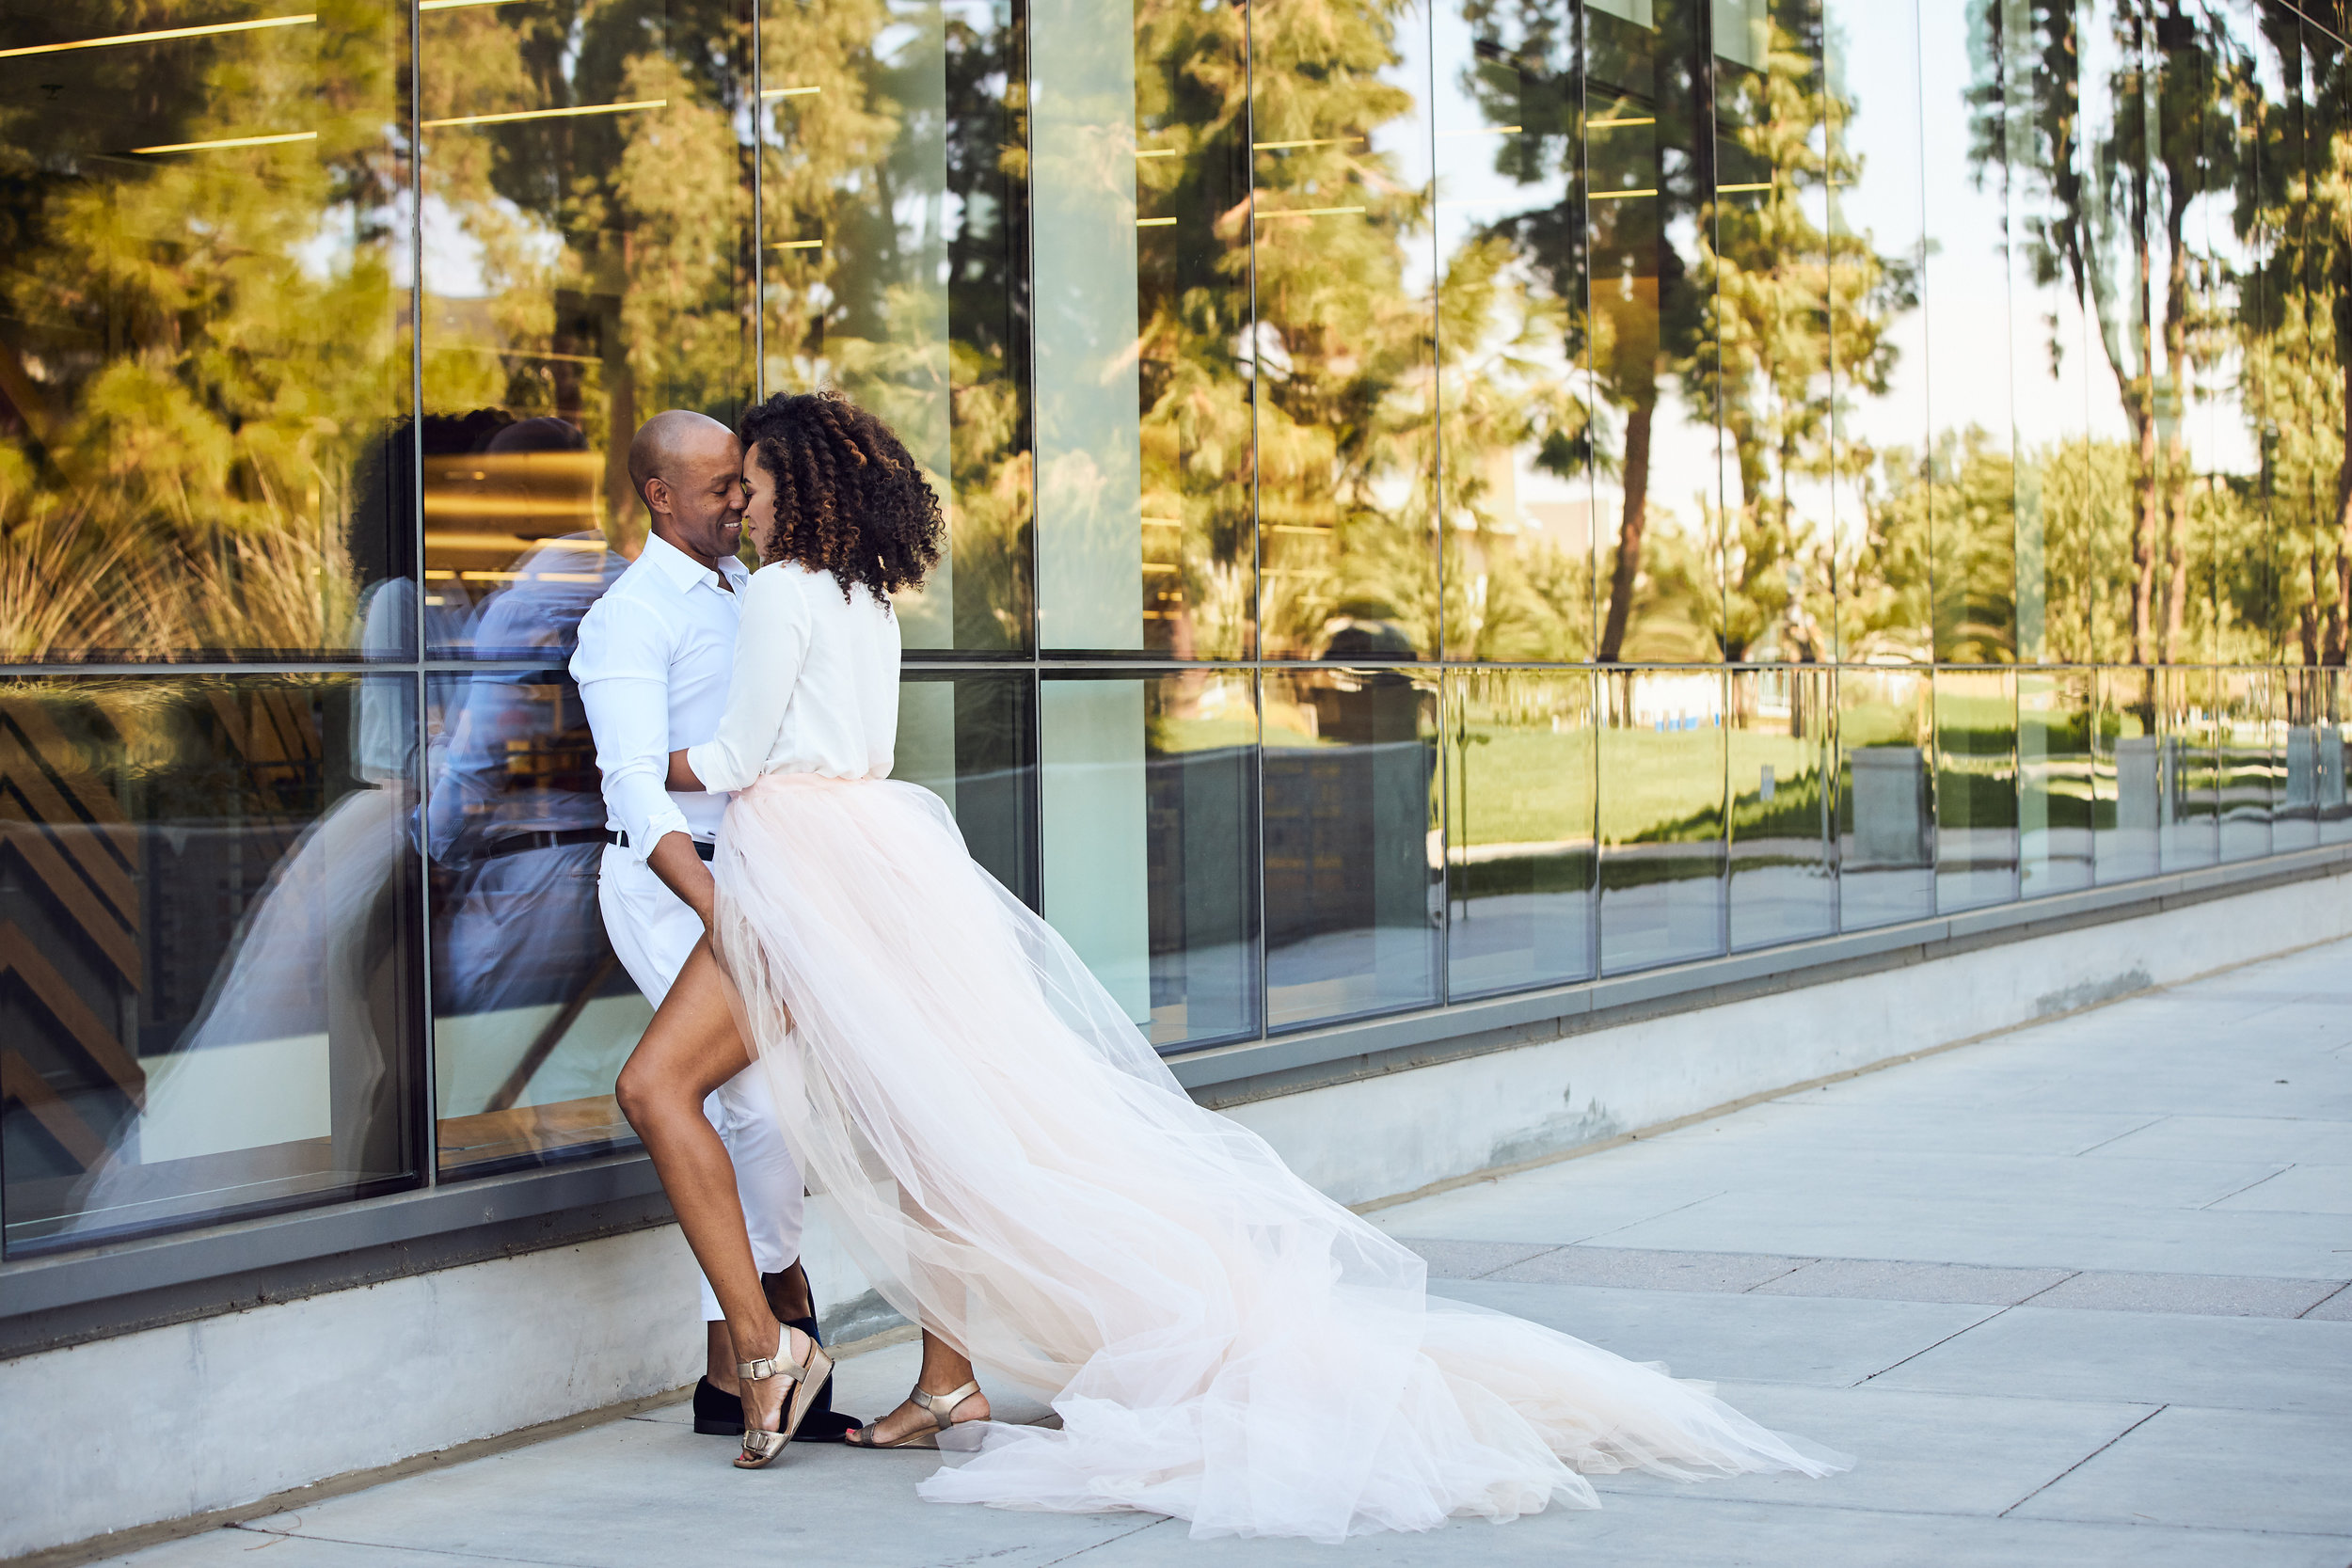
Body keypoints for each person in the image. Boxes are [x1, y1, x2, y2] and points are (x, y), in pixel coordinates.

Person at [612, 388, 1850, 1539]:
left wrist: (625, 760)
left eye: (756, 481)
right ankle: (943, 1378)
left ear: (798, 487)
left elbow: (734, 756)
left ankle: (787, 1349)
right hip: (882, 852)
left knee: (721, 1095)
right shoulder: (864, 595)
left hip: (810, 866)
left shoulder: (780, 593)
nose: (746, 501)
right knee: (940, 1126)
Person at [571, 409, 856, 1442]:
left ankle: (738, 1370)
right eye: (719, 486)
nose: (741, 499)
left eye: (744, 481)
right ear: (659, 496)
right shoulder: (629, 617)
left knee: (769, 1116)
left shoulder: (751, 586)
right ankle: (773, 1335)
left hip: (759, 877)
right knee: (751, 1109)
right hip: (673, 886)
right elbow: (635, 790)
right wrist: (716, 910)